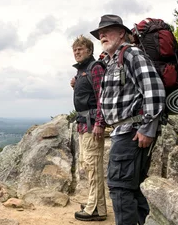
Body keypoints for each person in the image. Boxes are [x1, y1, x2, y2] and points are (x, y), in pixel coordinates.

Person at [90, 14, 166, 225]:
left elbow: (154, 90)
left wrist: (147, 128)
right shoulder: (114, 61)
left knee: (120, 188)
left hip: (130, 133)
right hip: (123, 132)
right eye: (100, 34)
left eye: (107, 31)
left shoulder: (131, 54)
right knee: (133, 187)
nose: (102, 35)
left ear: (122, 33)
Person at [71, 35, 107, 222]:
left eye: (80, 49)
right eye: (75, 50)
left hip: (93, 124)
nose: (77, 52)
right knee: (89, 165)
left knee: (93, 166)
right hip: (84, 124)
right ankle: (97, 206)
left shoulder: (95, 68)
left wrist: (100, 123)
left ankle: (96, 210)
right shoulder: (83, 71)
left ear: (89, 50)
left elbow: (102, 98)